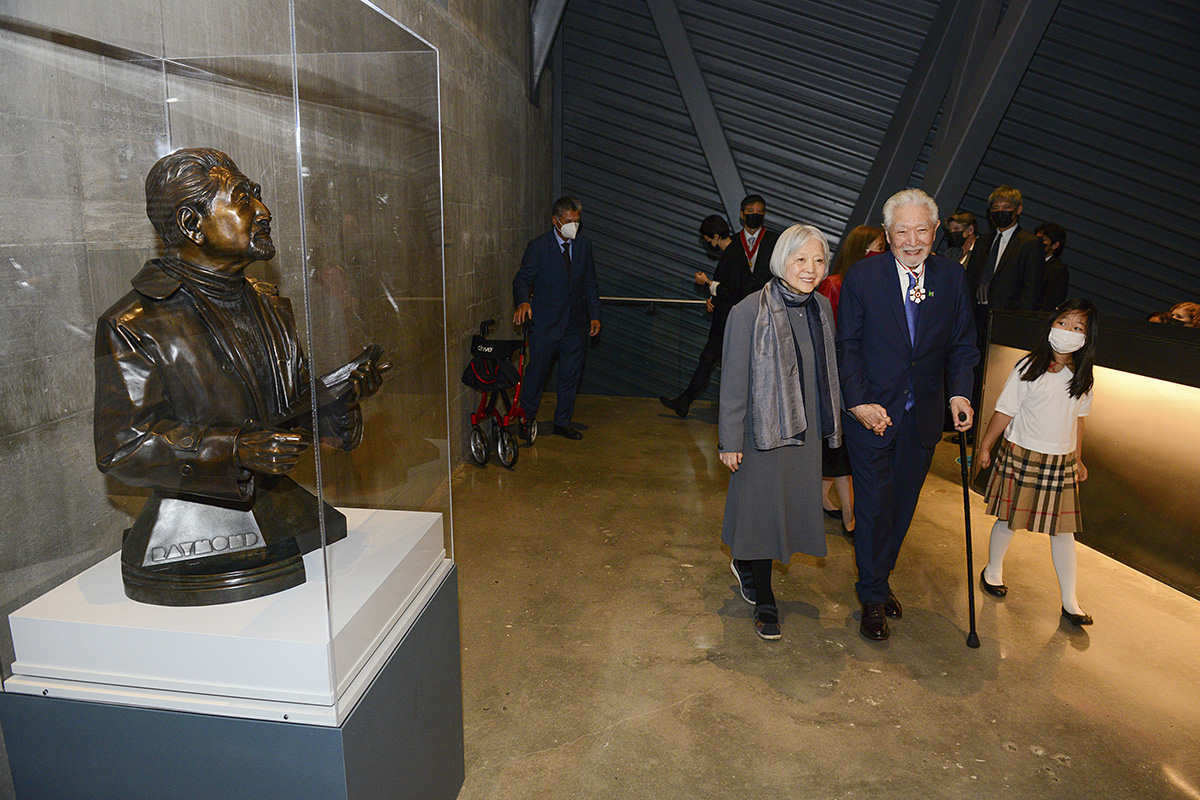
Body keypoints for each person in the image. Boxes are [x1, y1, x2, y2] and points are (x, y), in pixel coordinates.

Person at [94, 148, 384, 601]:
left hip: (279, 506)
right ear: (193, 223)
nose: (264, 211)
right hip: (198, 521)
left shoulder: (270, 304)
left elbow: (284, 411)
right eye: (244, 199)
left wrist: (335, 400)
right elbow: (123, 446)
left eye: (258, 196)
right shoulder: (135, 323)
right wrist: (235, 449)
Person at [837, 188, 978, 641]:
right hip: (872, 414)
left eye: (921, 230)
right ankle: (872, 596)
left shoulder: (952, 278)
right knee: (875, 504)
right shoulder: (863, 276)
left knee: (901, 507)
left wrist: (960, 395)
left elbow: (962, 345)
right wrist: (857, 401)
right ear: (888, 233)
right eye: (902, 231)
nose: (912, 240)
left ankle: (880, 577)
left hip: (922, 417)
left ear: (935, 232)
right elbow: (848, 345)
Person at [718, 224, 842, 641]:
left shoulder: (822, 308)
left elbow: (826, 373)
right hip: (760, 431)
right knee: (760, 512)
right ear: (781, 261)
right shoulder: (748, 310)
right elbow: (734, 380)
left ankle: (749, 564)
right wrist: (729, 440)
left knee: (787, 508)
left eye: (819, 259)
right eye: (800, 259)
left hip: (805, 433)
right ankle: (766, 596)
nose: (810, 268)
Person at [976, 299, 1098, 627]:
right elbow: (1005, 410)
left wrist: (1078, 457)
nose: (1068, 332)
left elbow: (1079, 419)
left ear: (1087, 338)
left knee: (1063, 532)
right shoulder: (1028, 367)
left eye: (1078, 327)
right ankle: (993, 569)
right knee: (1010, 519)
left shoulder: (1082, 377)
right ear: (1050, 325)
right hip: (1024, 452)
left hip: (1061, 460)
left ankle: (1070, 601)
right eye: (1063, 323)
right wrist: (985, 447)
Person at [660, 195, 778, 418]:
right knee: (712, 357)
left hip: (756, 312)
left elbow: (733, 285)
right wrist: (714, 296)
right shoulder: (734, 244)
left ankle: (747, 410)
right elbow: (730, 281)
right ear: (742, 214)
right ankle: (686, 401)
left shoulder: (771, 241)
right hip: (730, 313)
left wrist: (710, 286)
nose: (755, 215)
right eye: (751, 210)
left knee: (734, 362)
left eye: (759, 211)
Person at [513, 196, 602, 440]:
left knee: (570, 375)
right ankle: (526, 418)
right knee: (537, 374)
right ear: (555, 221)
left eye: (577, 220)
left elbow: (590, 283)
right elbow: (522, 279)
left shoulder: (584, 245)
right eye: (568, 221)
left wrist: (595, 315)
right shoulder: (539, 246)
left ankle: (562, 422)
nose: (574, 225)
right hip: (545, 324)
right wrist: (523, 301)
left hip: (575, 325)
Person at [816, 224, 884, 537]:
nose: (882, 253)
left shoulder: (878, 284)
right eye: (877, 246)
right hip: (837, 378)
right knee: (840, 450)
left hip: (864, 376)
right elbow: (827, 336)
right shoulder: (833, 284)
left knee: (839, 452)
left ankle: (831, 504)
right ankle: (849, 515)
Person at [966, 185, 1045, 311]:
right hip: (976, 312)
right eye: (996, 208)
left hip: (1007, 315)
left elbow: (1032, 289)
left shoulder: (1030, 243)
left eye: (1006, 207)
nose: (1000, 212)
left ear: (1018, 210)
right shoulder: (982, 242)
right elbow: (970, 280)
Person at [1033, 223, 1070, 311]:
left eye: (1043, 240)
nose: (1037, 243)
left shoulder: (1058, 270)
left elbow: (1051, 303)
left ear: (1055, 245)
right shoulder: (1029, 262)